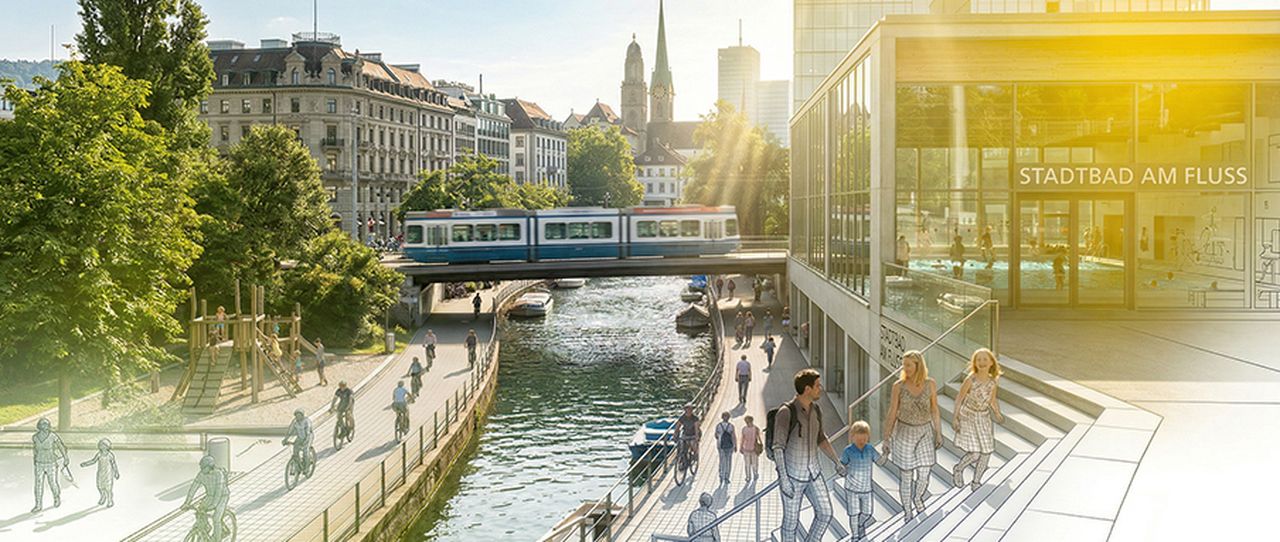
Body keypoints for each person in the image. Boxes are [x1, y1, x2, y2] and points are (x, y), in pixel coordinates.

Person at [772, 369, 845, 542]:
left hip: (814, 474)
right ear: (807, 389)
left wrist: (836, 462)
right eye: (818, 386)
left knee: (825, 513)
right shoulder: (786, 412)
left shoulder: (816, 410)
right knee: (790, 524)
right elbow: (778, 448)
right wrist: (784, 480)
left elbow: (822, 439)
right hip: (792, 477)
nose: (821, 389)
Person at [882, 351, 942, 521]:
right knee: (906, 475)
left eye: (908, 365)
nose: (905, 368)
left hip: (924, 431)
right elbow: (892, 412)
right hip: (904, 432)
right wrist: (886, 437)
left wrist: (938, 432)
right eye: (904, 364)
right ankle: (907, 509)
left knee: (925, 471)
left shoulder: (930, 384)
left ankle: (918, 497)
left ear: (918, 365)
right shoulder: (898, 386)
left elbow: (934, 409)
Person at [952, 348, 1005, 491]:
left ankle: (976, 481)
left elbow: (992, 400)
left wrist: (997, 412)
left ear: (991, 363)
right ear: (974, 362)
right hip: (968, 416)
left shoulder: (993, 382)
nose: (982, 362)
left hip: (983, 417)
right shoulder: (970, 379)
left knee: (986, 451)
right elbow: (959, 398)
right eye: (979, 359)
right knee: (975, 453)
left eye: (985, 360)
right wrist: (955, 417)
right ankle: (958, 469)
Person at [841, 421, 889, 540]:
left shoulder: (870, 449)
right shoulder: (848, 451)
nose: (861, 441)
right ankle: (855, 536)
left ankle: (860, 524)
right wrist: (842, 470)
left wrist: (885, 454)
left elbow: (879, 462)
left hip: (866, 488)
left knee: (867, 513)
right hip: (851, 488)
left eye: (864, 438)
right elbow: (841, 466)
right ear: (853, 437)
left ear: (868, 437)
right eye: (859, 439)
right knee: (853, 513)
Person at [183, 455, 230, 542]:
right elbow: (193, 488)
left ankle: (217, 539)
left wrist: (214, 504)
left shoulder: (218, 474)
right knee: (200, 511)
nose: (202, 470)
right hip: (210, 495)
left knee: (216, 518)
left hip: (222, 496)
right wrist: (187, 502)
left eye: (204, 468)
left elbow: (218, 491)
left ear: (210, 466)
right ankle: (206, 527)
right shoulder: (201, 474)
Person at [31, 418, 68, 512]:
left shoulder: (53, 436)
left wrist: (65, 457)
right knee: (38, 484)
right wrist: (34, 459)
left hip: (50, 462)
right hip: (39, 463)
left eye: (46, 424)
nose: (45, 426)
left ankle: (56, 497)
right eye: (43, 424)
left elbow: (61, 447)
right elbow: (35, 449)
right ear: (39, 426)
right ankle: (38, 504)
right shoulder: (35, 437)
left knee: (52, 483)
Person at [80, 438, 120, 507]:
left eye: (104, 445)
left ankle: (110, 500)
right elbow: (93, 461)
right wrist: (85, 464)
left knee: (108, 488)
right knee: (100, 487)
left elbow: (114, 464)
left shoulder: (110, 455)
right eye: (101, 445)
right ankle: (103, 496)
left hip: (108, 474)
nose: (102, 446)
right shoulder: (99, 454)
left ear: (107, 446)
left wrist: (116, 472)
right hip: (100, 473)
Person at [715, 412, 736, 485]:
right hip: (729, 445)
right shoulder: (731, 426)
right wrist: (735, 445)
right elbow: (733, 436)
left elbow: (716, 435)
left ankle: (721, 476)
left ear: (722, 417)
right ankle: (727, 477)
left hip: (720, 445)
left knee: (721, 461)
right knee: (728, 461)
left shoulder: (718, 426)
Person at [739, 415, 762, 482]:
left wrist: (741, 447)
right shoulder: (756, 428)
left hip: (746, 448)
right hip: (754, 448)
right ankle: (755, 474)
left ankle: (748, 477)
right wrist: (761, 445)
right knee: (754, 463)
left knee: (747, 464)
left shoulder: (744, 429)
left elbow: (742, 439)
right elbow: (759, 438)